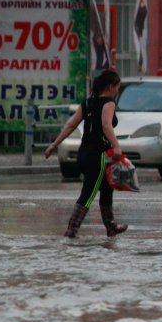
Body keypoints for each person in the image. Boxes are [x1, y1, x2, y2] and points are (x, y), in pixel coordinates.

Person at [44, 68, 128, 238]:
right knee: (88, 194)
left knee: (106, 187)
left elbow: (70, 125)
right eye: (117, 87)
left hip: (84, 153)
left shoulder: (87, 103)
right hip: (98, 155)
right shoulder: (109, 103)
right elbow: (106, 125)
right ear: (111, 87)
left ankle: (110, 226)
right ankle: (71, 230)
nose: (117, 91)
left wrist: (54, 144)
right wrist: (117, 146)